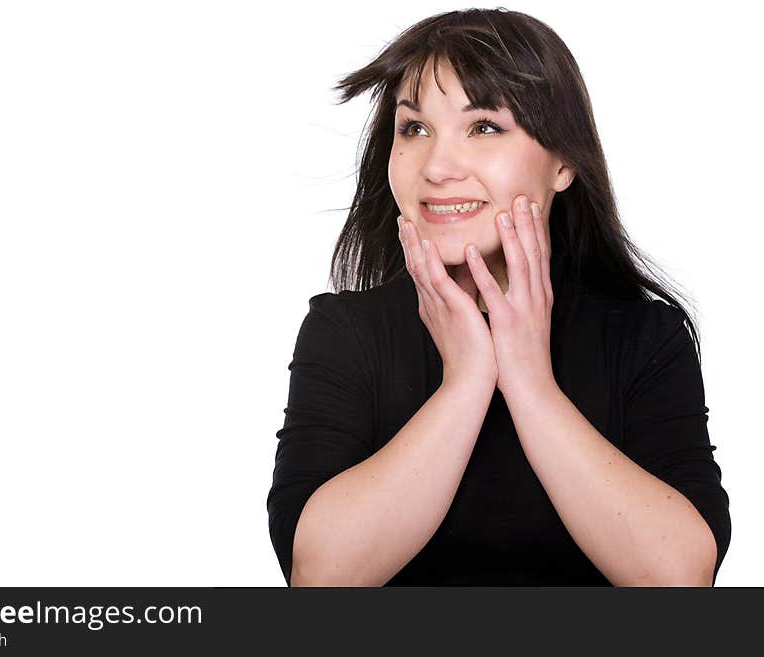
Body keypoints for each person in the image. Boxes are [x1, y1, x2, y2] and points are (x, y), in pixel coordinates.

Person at [266, 7, 730, 587]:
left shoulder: (641, 337)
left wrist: (530, 382)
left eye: (484, 127)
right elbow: (321, 578)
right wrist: (466, 380)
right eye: (414, 128)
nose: (436, 167)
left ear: (564, 163)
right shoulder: (347, 332)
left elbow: (680, 582)